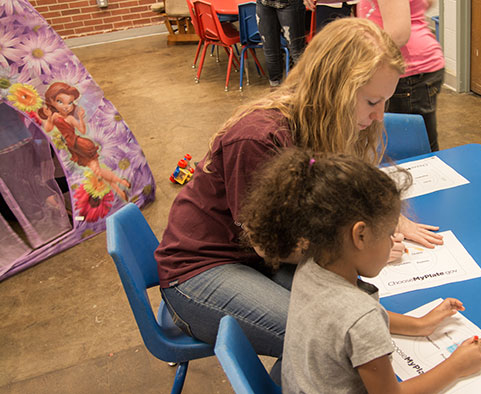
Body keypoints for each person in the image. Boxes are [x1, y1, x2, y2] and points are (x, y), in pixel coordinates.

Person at [154, 17, 443, 381]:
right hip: (202, 270)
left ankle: (408, 326)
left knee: (347, 309)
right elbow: (268, 244)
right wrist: (356, 244)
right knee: (330, 337)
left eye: (385, 101)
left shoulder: (331, 123)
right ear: (336, 89)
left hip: (262, 262)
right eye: (372, 101)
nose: (378, 115)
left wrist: (385, 220)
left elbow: (338, 196)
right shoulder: (259, 139)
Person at [239, 148, 481, 393]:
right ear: (360, 235)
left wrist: (418, 324)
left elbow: (346, 324)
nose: (393, 243)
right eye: (390, 234)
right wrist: (456, 366)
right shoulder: (362, 317)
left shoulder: (310, 265)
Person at [358, 0, 445, 152]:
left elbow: (397, 35)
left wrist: (362, 63)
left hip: (409, 70)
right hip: (411, 66)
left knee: (412, 150)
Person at [39, 82, 130, 201]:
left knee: (96, 171)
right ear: (52, 102)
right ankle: (121, 190)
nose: (66, 106)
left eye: (70, 103)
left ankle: (121, 183)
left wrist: (80, 118)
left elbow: (82, 130)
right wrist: (48, 116)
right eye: (60, 102)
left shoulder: (69, 118)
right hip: (73, 147)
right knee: (96, 171)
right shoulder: (55, 116)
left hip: (81, 145)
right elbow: (48, 129)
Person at [256, 0, 307, 86]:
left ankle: (306, 91)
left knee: (297, 53)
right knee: (270, 52)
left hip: (290, 4)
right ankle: (275, 92)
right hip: (264, 4)